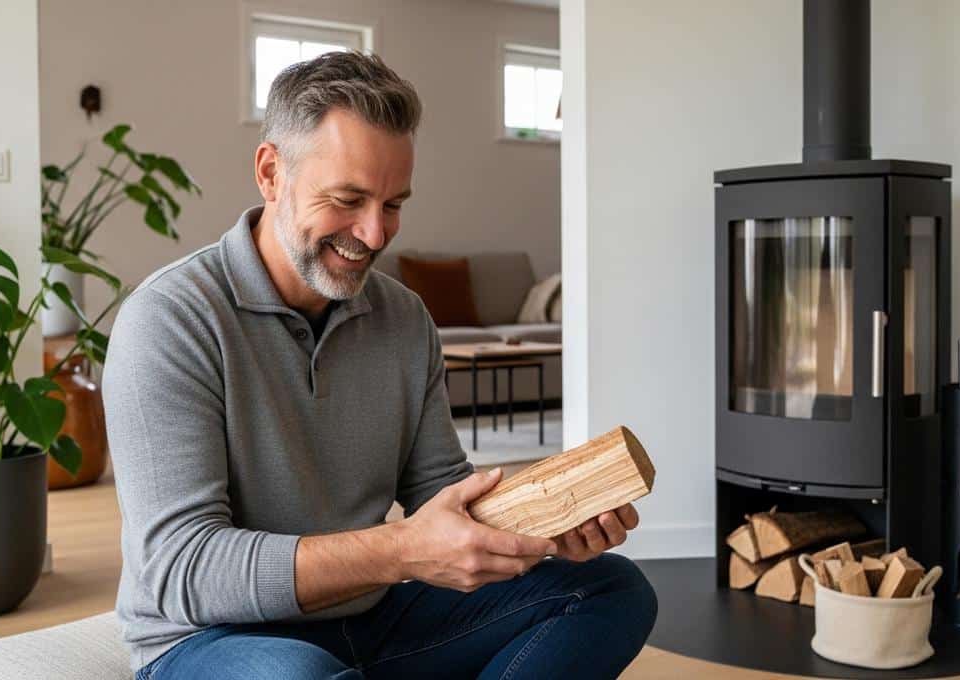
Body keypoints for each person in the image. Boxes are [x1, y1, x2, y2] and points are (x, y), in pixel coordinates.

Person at [103, 51, 657, 680]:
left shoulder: (403, 317)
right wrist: (399, 551)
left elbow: (442, 497)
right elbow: (182, 570)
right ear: (270, 173)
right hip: (214, 638)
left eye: (394, 204)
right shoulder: (170, 319)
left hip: (374, 615)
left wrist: (544, 525)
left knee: (611, 589)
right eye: (348, 199)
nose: (374, 234)